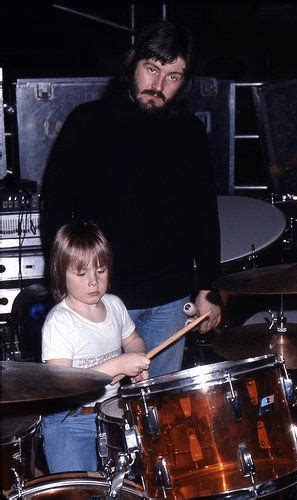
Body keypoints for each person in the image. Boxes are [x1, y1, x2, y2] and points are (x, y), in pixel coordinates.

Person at [41, 20, 221, 378]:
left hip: (169, 299)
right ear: (132, 64)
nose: (158, 85)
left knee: (153, 415)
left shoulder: (190, 132)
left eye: (173, 76)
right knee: (94, 413)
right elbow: (55, 208)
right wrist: (65, 285)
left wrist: (209, 287)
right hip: (98, 300)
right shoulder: (87, 122)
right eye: (151, 69)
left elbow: (204, 213)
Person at [41, 221, 150, 473]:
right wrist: (117, 365)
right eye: (81, 274)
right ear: (60, 273)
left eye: (100, 271)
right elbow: (63, 383)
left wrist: (136, 355)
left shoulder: (114, 305)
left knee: (119, 486)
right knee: (77, 489)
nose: (93, 282)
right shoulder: (60, 321)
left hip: (111, 414)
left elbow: (133, 339)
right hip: (70, 421)